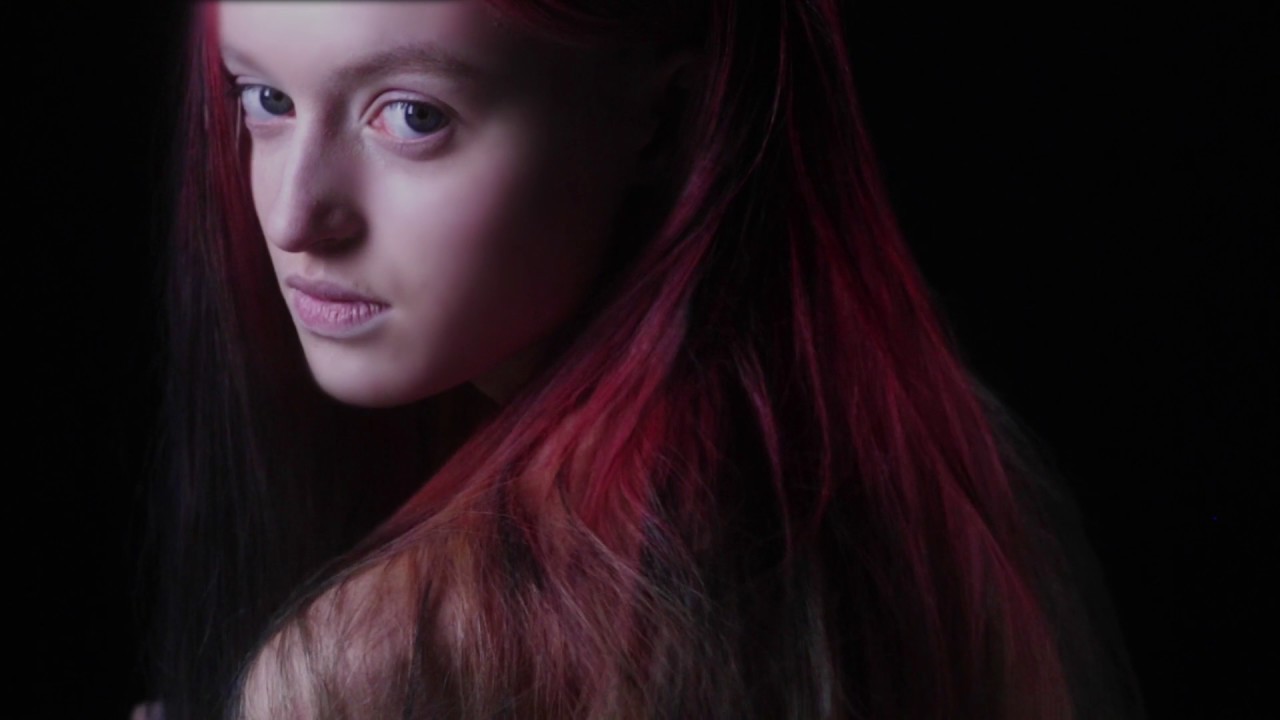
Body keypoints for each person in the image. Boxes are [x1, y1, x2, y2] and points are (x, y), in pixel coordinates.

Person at [140, 1, 1146, 718]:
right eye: (262, 100)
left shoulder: (389, 661)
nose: (293, 216)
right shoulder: (930, 483)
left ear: (661, 118)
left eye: (414, 116)